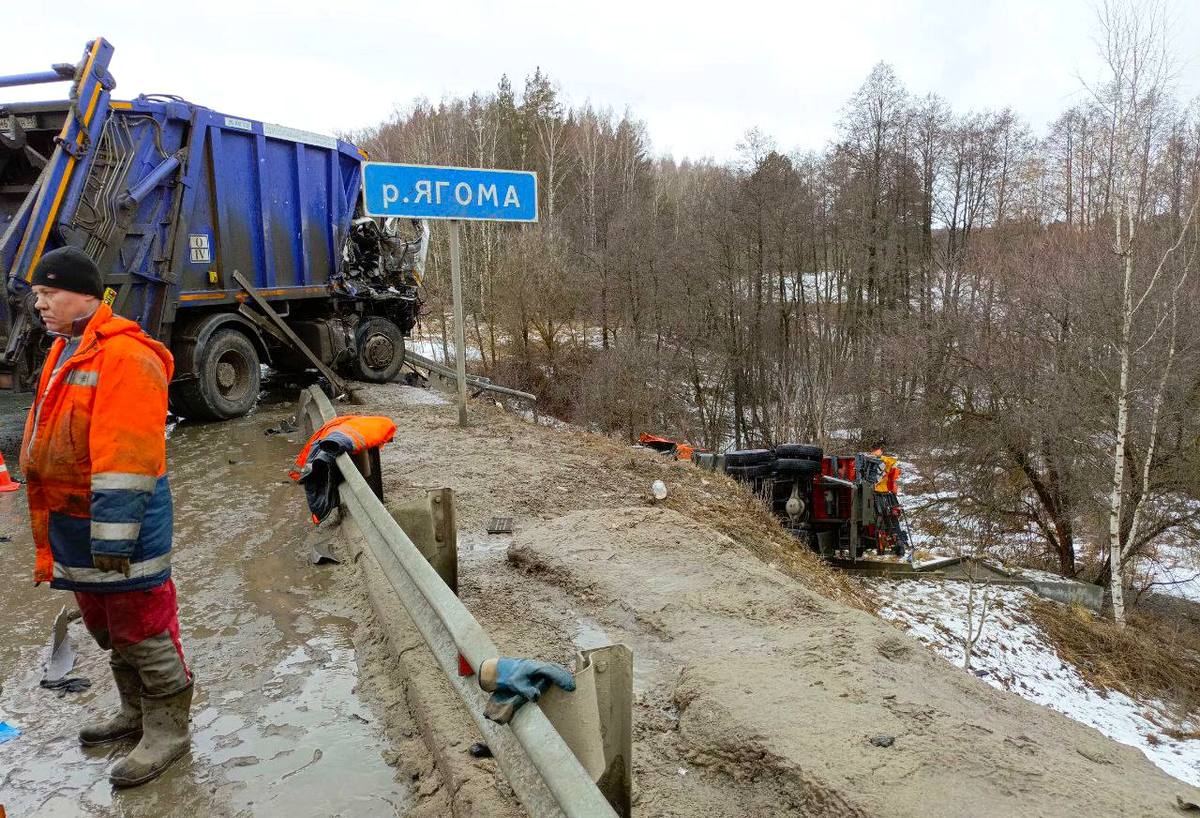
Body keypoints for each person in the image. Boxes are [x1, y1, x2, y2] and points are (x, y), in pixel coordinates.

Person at [19, 245, 192, 788]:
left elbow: (128, 457)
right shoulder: (68, 348)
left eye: (49, 293)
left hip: (119, 526)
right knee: (107, 627)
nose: (38, 304)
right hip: (77, 523)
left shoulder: (124, 356)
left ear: (86, 296)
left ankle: (168, 730)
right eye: (38, 294)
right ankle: (135, 714)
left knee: (142, 626)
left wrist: (115, 536)